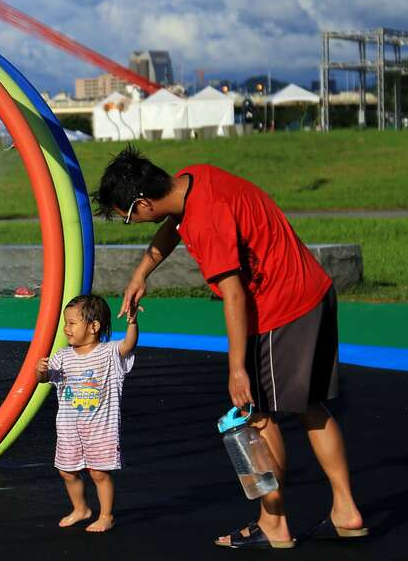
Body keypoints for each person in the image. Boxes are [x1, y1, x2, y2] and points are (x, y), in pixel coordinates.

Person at [92, 145, 366, 549]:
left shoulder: (205, 221)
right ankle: (346, 511)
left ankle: (273, 523)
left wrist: (237, 369)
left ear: (143, 203)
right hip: (313, 290)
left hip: (281, 309)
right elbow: (174, 225)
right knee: (311, 407)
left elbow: (235, 296)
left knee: (255, 414)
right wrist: (141, 273)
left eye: (129, 217)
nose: (133, 223)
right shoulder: (193, 178)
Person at [35, 294, 138, 533]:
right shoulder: (62, 356)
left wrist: (132, 323)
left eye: (72, 323)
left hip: (101, 428)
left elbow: (128, 345)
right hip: (69, 428)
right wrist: (39, 372)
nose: (66, 328)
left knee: (99, 472)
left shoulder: (109, 353)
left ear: (93, 326)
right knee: (66, 471)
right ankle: (81, 509)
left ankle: (106, 515)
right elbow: (44, 379)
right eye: (65, 323)